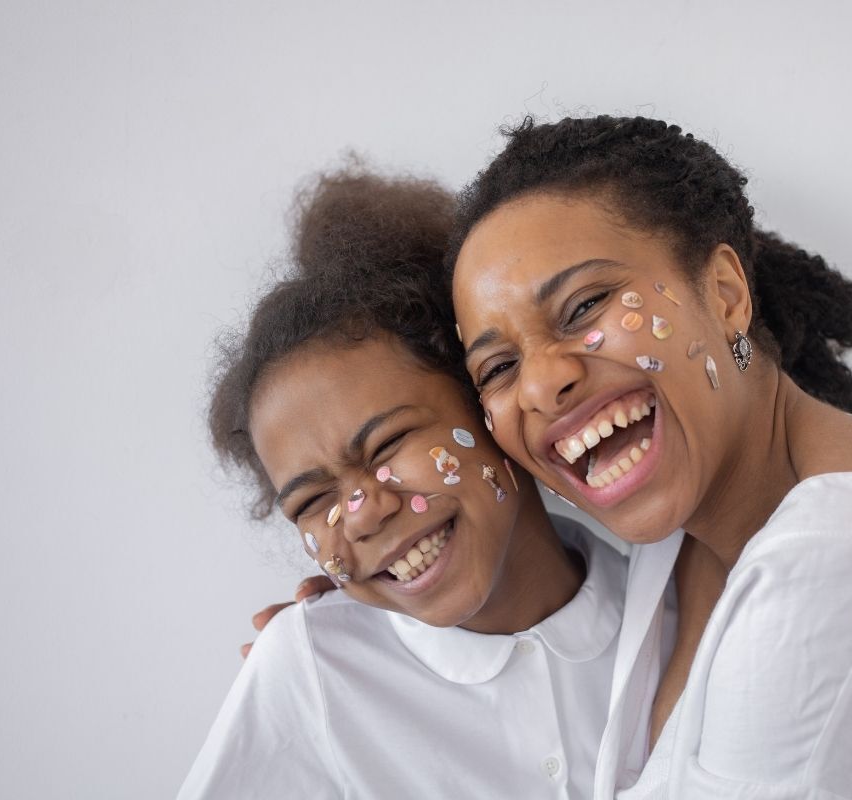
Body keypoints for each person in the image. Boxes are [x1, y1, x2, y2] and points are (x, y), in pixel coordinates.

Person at [444, 115, 852, 798]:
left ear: (727, 294)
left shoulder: (829, 571)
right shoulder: (698, 531)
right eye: (496, 368)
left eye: (584, 305)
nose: (541, 385)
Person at [181, 170, 628, 798]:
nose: (361, 514)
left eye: (387, 444)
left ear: (486, 397)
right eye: (312, 501)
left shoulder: (673, 604)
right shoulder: (312, 672)